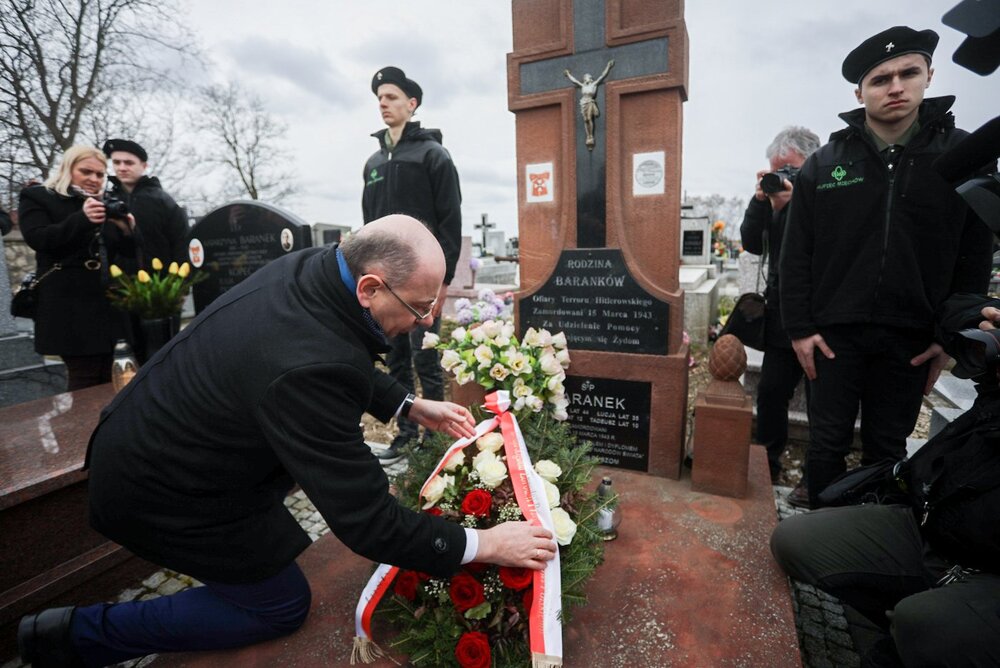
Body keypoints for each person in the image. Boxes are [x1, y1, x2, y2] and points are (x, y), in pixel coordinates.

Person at [16, 215, 556, 668]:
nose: (427, 319)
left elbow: (338, 345)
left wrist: (406, 403)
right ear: (370, 287)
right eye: (419, 307)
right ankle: (72, 636)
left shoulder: (319, 270)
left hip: (184, 446)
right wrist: (484, 544)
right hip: (163, 486)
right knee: (279, 605)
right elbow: (366, 519)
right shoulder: (307, 364)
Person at [779, 26, 993, 508]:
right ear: (860, 91)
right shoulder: (825, 164)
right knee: (828, 440)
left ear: (928, 76)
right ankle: (819, 529)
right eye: (880, 79)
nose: (895, 87)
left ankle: (868, 535)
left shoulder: (962, 156)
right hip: (834, 334)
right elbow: (797, 254)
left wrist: (950, 335)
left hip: (912, 336)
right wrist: (800, 329)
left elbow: (973, 257)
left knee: (886, 445)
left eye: (908, 73)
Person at [770, 293, 1000, 667]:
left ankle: (925, 631)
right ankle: (915, 607)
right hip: (940, 524)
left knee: (922, 626)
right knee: (794, 540)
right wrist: (978, 318)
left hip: (989, 563)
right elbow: (957, 305)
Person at [362, 66, 462, 464]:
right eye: (379, 99)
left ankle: (437, 445)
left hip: (422, 283)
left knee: (426, 357)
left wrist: (443, 285)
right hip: (385, 283)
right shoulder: (372, 162)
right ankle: (405, 437)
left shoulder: (432, 155)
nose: (383, 104)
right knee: (396, 359)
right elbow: (368, 227)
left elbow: (449, 222)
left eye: (391, 97)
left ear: (412, 103)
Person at [740, 126, 820, 505]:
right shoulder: (775, 204)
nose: (782, 177)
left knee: (824, 402)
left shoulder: (825, 199)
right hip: (781, 319)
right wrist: (760, 202)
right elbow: (751, 242)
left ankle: (816, 475)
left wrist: (795, 205)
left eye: (789, 169)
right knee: (771, 393)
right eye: (775, 170)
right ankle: (768, 460)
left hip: (820, 317)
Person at [18, 145, 136, 390]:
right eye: (86, 172)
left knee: (110, 376)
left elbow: (125, 255)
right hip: (67, 306)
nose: (94, 179)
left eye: (100, 174)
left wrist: (128, 232)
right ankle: (82, 427)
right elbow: (38, 238)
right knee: (84, 377)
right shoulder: (40, 196)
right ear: (68, 168)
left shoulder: (106, 204)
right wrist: (81, 219)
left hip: (104, 304)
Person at [102, 138, 189, 272]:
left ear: (144, 166)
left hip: (159, 282)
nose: (122, 168)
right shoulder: (107, 200)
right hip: (119, 283)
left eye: (129, 163)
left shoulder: (162, 200)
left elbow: (180, 242)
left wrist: (180, 282)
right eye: (116, 162)